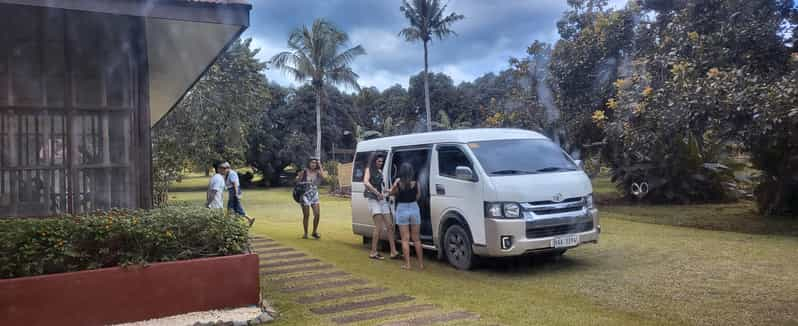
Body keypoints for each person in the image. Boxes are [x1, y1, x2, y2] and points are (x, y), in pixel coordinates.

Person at [363, 153, 399, 260]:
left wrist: (390, 189)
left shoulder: (380, 172)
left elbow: (383, 188)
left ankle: (393, 251)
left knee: (390, 226)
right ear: (374, 161)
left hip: (382, 200)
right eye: (379, 161)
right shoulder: (369, 169)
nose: (380, 163)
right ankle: (373, 252)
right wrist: (376, 193)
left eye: (382, 162)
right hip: (374, 200)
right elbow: (365, 182)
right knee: (378, 227)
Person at [390, 163, 424, 270]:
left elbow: (392, 193)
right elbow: (418, 196)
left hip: (402, 208)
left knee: (405, 239)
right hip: (414, 208)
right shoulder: (416, 183)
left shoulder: (398, 182)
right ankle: (421, 264)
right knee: (416, 239)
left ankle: (408, 264)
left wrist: (393, 188)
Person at [296, 157, 326, 239]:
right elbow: (298, 182)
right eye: (312, 162)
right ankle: (305, 233)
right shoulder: (304, 171)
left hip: (314, 195)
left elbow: (324, 177)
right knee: (306, 215)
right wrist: (300, 179)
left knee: (317, 214)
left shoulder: (317, 172)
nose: (313, 164)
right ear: (309, 163)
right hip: (305, 195)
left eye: (315, 163)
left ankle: (314, 232)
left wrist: (320, 166)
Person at [221, 162, 255, 226]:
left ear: (228, 168)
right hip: (232, 191)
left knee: (231, 206)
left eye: (224, 168)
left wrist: (236, 194)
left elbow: (235, 184)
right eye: (222, 168)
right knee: (236, 207)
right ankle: (249, 219)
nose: (223, 170)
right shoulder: (227, 174)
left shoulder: (232, 173)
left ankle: (227, 222)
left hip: (234, 191)